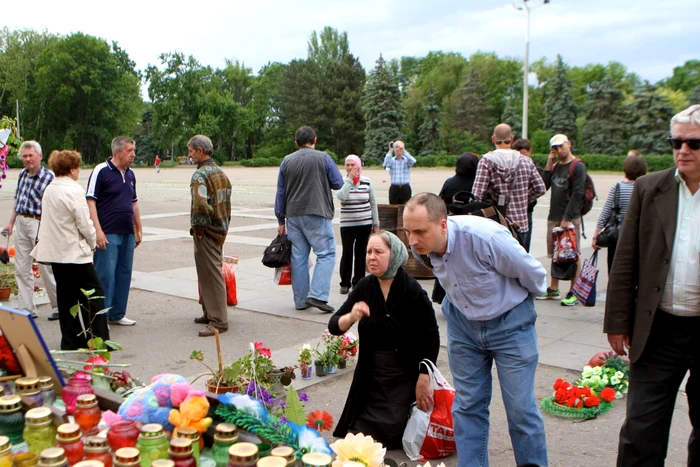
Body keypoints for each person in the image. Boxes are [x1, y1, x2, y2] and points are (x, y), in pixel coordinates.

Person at [403, 192, 548, 467]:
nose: (412, 240)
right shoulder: (419, 247)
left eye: (420, 231)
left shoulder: (485, 237)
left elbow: (534, 276)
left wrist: (514, 307)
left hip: (510, 326)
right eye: (408, 231)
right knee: (468, 406)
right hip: (463, 327)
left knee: (520, 410)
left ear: (443, 225)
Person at [604, 104, 700, 466]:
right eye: (676, 142)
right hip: (657, 327)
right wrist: (616, 321)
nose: (683, 150)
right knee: (641, 429)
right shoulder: (649, 188)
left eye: (694, 143)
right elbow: (625, 258)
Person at [328, 231, 439, 450]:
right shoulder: (364, 286)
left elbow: (431, 337)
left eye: (379, 252)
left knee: (392, 433)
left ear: (394, 255)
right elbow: (334, 326)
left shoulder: (412, 290)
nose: (371, 257)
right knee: (359, 435)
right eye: (369, 251)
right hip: (370, 375)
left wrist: (424, 377)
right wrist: (351, 316)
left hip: (402, 375)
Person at [31, 150, 109, 350]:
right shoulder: (73, 190)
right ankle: (98, 339)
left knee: (66, 297)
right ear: (73, 169)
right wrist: (93, 241)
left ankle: (71, 340)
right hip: (74, 252)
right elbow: (84, 221)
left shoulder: (50, 188)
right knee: (93, 295)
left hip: (56, 252)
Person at [275, 126, 343, 312]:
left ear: (296, 143)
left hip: (293, 215)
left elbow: (281, 192)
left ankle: (301, 301)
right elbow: (338, 183)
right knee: (326, 253)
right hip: (317, 211)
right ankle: (318, 296)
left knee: (298, 257)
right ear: (315, 139)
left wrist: (281, 220)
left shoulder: (286, 161)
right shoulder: (324, 158)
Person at [86, 136, 142, 326]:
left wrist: (138, 227)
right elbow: (90, 201)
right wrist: (97, 231)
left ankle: (117, 314)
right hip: (108, 231)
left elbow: (134, 202)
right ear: (117, 151)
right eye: (129, 150)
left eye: (134, 150)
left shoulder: (131, 174)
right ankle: (100, 315)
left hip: (127, 231)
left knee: (124, 273)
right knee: (105, 274)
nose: (133, 154)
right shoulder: (101, 171)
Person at [2, 141, 58, 320]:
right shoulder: (22, 175)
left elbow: (53, 206)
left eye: (30, 155)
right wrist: (10, 224)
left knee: (45, 266)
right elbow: (18, 202)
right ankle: (27, 307)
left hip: (39, 223)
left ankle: (58, 304)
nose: (27, 159)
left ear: (40, 156)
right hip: (22, 222)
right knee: (21, 267)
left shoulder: (49, 177)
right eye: (24, 156)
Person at [472, 124, 545, 251]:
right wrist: (524, 199)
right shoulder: (526, 161)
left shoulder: (486, 162)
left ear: (493, 139)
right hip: (520, 224)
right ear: (511, 139)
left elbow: (476, 196)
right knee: (520, 266)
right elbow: (540, 188)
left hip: (496, 225)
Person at [187, 135, 232, 337]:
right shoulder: (220, 173)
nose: (189, 155)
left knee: (211, 275)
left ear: (200, 150)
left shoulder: (200, 175)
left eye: (190, 151)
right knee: (207, 273)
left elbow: (200, 205)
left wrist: (198, 228)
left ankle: (218, 321)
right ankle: (209, 312)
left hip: (206, 231)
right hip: (220, 229)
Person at [537, 134, 587, 306]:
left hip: (570, 217)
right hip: (554, 215)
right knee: (556, 253)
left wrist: (567, 218)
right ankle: (554, 288)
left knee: (572, 253)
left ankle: (574, 291)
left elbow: (578, 193)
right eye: (555, 148)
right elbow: (542, 187)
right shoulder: (556, 166)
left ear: (568, 144)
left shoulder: (577, 166)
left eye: (561, 146)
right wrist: (548, 165)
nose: (559, 150)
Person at [592, 155, 647, 272]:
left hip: (617, 236)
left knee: (615, 269)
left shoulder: (617, 188)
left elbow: (606, 213)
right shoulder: (646, 188)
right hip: (639, 236)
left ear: (625, 170)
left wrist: (596, 235)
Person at [336, 154, 379, 295]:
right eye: (347, 165)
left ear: (358, 166)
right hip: (347, 224)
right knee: (347, 252)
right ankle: (345, 283)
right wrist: (349, 180)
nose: (349, 167)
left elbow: (373, 203)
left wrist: (375, 223)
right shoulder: (341, 181)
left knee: (361, 253)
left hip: (364, 223)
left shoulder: (367, 182)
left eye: (352, 164)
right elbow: (341, 196)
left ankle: (359, 282)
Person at [511, 138, 541, 252]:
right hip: (518, 211)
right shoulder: (511, 166)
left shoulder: (533, 166)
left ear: (530, 151)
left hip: (527, 210)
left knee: (524, 246)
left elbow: (541, 186)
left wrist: (526, 198)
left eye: (524, 153)